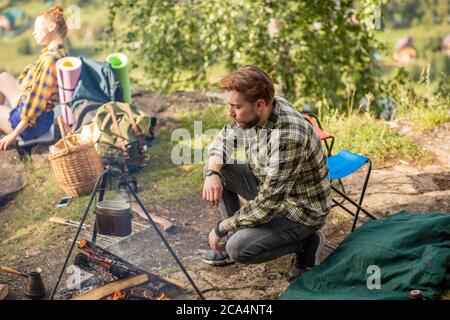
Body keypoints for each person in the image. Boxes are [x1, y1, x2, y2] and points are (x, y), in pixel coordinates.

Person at [202, 65, 332, 280]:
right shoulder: (259, 112)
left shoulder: (287, 136)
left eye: (236, 106)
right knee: (218, 170)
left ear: (260, 104)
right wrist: (211, 173)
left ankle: (308, 242)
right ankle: (238, 233)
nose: (230, 112)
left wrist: (222, 227)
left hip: (299, 211)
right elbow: (225, 139)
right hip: (271, 188)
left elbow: (267, 205)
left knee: (239, 249)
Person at [0, 5, 69, 151]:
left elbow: (35, 106)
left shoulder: (49, 62)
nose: (33, 32)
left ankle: (10, 128)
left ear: (51, 27)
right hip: (43, 117)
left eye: (37, 27)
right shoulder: (61, 52)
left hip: (32, 125)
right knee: (3, 77)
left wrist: (13, 135)